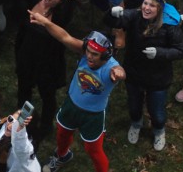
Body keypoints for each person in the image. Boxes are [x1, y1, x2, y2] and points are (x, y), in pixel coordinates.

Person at [26, 15, 125, 172]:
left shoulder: (111, 68)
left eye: (94, 55)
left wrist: (119, 73)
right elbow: (64, 37)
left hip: (93, 116)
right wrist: (45, 22)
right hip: (71, 105)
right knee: (62, 134)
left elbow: (120, 71)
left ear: (105, 56)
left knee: (93, 150)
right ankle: (62, 155)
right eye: (88, 52)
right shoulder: (86, 51)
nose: (89, 56)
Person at [105, 0, 183, 151]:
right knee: (134, 105)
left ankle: (158, 130)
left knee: (157, 111)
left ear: (160, 8)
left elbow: (179, 51)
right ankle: (136, 123)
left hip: (158, 77)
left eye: (152, 5)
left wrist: (159, 53)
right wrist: (111, 14)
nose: (147, 8)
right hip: (134, 72)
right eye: (145, 3)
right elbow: (111, 21)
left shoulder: (170, 25)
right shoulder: (135, 16)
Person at [14, 0, 81, 146]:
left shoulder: (59, 16)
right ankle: (23, 118)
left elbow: (67, 15)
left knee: (47, 95)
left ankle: (44, 126)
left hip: (47, 63)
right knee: (24, 89)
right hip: (26, 55)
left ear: (60, 1)